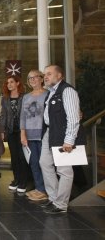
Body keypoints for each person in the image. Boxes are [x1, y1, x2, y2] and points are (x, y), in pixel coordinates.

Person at [40, 65, 85, 214]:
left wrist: (69, 140)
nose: (45, 77)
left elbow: (73, 118)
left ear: (60, 75)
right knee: (44, 163)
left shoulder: (67, 91)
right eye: (45, 74)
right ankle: (53, 198)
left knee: (64, 169)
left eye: (49, 74)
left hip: (62, 134)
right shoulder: (51, 93)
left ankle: (61, 204)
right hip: (50, 131)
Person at [20, 70, 48, 201]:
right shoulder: (26, 97)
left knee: (46, 164)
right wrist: (22, 134)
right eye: (29, 78)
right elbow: (23, 117)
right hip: (29, 135)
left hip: (44, 135)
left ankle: (47, 190)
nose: (32, 80)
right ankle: (39, 188)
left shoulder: (48, 95)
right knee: (34, 163)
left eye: (35, 77)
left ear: (41, 79)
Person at [1, 75, 27, 193]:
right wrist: (2, 131)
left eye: (11, 82)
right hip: (11, 131)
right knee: (14, 157)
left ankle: (23, 181)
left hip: (23, 131)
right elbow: (4, 116)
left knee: (22, 157)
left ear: (17, 83)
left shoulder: (25, 97)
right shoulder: (5, 98)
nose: (9, 84)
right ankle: (16, 179)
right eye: (8, 83)